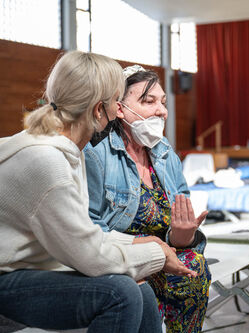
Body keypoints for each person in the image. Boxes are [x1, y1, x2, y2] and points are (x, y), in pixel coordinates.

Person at [0, 51, 197, 333]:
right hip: (8, 277)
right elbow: (90, 256)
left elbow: (85, 233)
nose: (119, 112)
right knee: (121, 293)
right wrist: (156, 254)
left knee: (139, 290)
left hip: (32, 268)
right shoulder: (48, 162)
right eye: (117, 103)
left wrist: (142, 245)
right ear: (97, 110)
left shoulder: (68, 150)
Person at [84, 65, 210, 332]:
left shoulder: (164, 152)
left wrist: (182, 235)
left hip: (166, 253)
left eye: (163, 102)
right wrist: (146, 244)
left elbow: (179, 237)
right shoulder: (96, 155)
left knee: (195, 268)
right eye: (149, 101)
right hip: (122, 257)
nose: (162, 111)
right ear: (119, 108)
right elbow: (88, 228)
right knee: (150, 288)